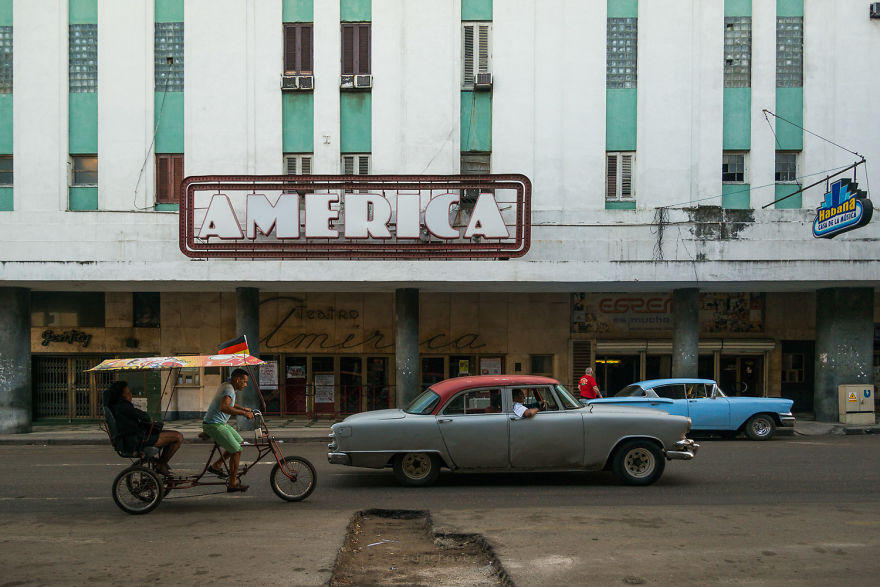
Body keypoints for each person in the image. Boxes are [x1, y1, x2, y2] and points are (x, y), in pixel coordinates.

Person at [105, 381, 183, 476]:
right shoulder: (123, 406)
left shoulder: (116, 406)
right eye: (128, 393)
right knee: (178, 437)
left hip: (133, 438)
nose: (130, 395)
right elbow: (145, 417)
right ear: (122, 395)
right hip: (137, 440)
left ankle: (161, 463)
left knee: (168, 434)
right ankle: (161, 464)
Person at [202, 368, 254, 492]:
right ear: (237, 379)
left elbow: (230, 403)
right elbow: (224, 407)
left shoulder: (226, 385)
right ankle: (232, 483)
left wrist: (244, 409)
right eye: (244, 381)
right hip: (214, 424)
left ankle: (217, 465)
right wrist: (244, 413)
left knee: (239, 442)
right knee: (236, 450)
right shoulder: (228, 389)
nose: (245, 385)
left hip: (219, 423)